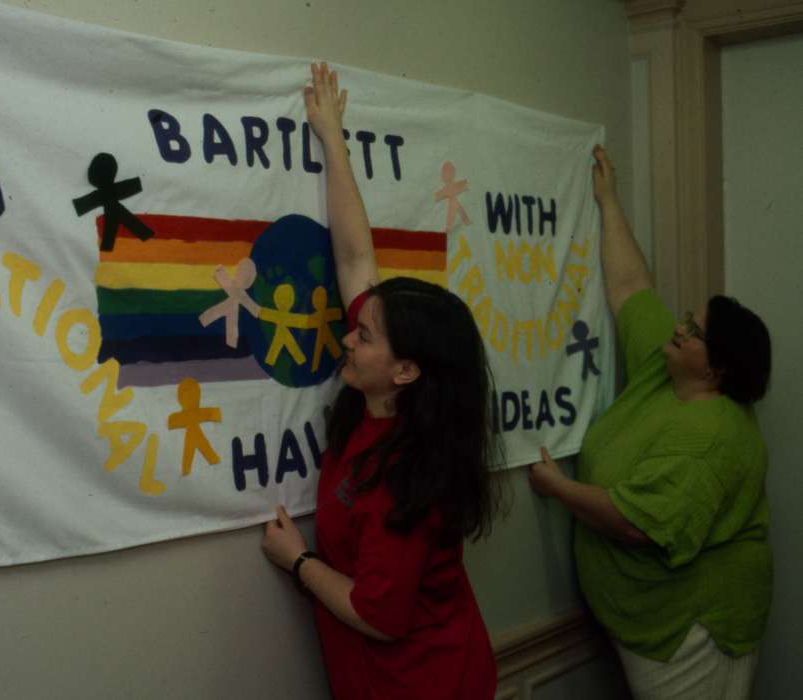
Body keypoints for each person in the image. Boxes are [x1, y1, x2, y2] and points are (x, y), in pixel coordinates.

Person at [261, 62, 501, 699]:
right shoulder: (386, 408)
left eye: (363, 336)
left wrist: (300, 563)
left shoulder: (408, 478)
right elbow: (354, 257)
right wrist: (331, 138)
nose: (347, 335)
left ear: (406, 370)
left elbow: (377, 613)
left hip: (426, 685)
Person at [528, 146, 773, 699]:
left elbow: (638, 525)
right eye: (688, 319)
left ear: (717, 369)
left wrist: (560, 489)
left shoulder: (714, 438)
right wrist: (608, 200)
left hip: (693, 632)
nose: (681, 327)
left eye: (695, 329)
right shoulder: (665, 371)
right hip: (644, 619)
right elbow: (632, 288)